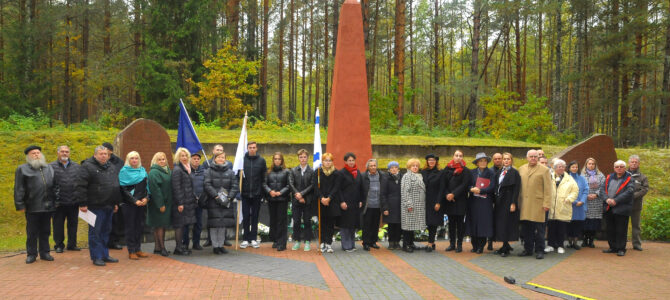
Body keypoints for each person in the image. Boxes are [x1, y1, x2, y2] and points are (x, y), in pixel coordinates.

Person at [78, 145, 121, 266]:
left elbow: (115, 185)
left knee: (106, 231)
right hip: (95, 205)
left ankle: (104, 254)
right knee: (95, 232)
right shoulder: (87, 166)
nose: (104, 156)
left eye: (106, 154)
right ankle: (96, 256)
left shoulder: (111, 166)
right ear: (95, 155)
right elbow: (81, 186)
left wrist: (115, 202)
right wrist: (82, 203)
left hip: (109, 204)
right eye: (101, 154)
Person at [15, 145, 56, 264]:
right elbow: (19, 188)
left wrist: (56, 201)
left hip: (48, 205)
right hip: (32, 205)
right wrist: (20, 204)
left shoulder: (49, 168)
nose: (36, 155)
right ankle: (31, 254)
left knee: (46, 230)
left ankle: (45, 252)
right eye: (33, 153)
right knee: (32, 231)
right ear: (28, 156)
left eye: (38, 153)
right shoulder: (22, 169)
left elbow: (54, 185)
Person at [518, 149, 553, 259]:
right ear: (527, 157)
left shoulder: (544, 170)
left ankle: (540, 250)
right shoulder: (521, 169)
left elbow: (548, 189)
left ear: (538, 158)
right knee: (527, 229)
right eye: (531, 156)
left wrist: (547, 203)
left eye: (535, 156)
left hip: (539, 205)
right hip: (524, 204)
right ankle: (528, 249)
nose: (533, 158)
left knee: (540, 230)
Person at [203, 152, 239, 254]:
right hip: (213, 201)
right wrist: (216, 196)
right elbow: (207, 185)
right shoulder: (208, 171)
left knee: (223, 224)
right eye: (218, 157)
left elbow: (235, 186)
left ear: (225, 159)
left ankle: (221, 245)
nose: (221, 159)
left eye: (223, 157)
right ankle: (215, 246)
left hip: (226, 202)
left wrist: (229, 197)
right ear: (214, 159)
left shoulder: (231, 172)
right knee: (214, 225)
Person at [50, 145, 82, 253]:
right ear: (58, 153)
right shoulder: (50, 167)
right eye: (62, 151)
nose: (64, 153)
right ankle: (59, 245)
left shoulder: (77, 167)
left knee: (73, 224)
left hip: (73, 201)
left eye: (67, 151)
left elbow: (80, 183)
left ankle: (72, 244)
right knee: (58, 225)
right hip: (59, 202)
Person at [118, 151, 150, 260]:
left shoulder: (142, 171)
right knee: (130, 227)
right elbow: (123, 190)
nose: (134, 160)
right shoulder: (124, 171)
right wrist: (134, 201)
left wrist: (146, 198)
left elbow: (147, 187)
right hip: (129, 204)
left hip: (141, 203)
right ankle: (131, 250)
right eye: (132, 158)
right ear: (128, 159)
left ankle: (138, 249)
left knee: (139, 226)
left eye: (136, 158)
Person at [601, 160, 635, 256]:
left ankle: (621, 249)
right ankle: (613, 247)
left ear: (625, 168)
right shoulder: (609, 177)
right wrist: (607, 199)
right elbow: (602, 189)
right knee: (610, 229)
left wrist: (616, 200)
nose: (619, 168)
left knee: (621, 230)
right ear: (614, 168)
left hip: (622, 208)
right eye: (617, 167)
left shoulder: (629, 179)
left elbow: (629, 192)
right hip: (609, 207)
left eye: (621, 166)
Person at [545, 159, 579, 255]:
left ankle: (560, 245)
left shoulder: (569, 179)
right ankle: (550, 245)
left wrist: (569, 199)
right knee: (551, 227)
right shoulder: (549, 177)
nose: (561, 168)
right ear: (554, 168)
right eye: (559, 166)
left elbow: (575, 191)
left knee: (561, 228)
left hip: (563, 206)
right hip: (551, 206)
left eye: (563, 166)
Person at [441, 150, 470, 253]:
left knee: (460, 224)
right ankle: (452, 244)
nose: (458, 157)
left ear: (463, 157)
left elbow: (465, 184)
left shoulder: (466, 170)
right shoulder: (447, 169)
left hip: (461, 200)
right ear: (453, 156)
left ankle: (460, 244)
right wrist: (447, 194)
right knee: (451, 223)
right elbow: (443, 184)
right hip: (449, 201)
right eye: (456, 155)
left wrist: (454, 194)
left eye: (460, 156)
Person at [239, 142, 267, 249]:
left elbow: (264, 178)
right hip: (245, 194)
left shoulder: (261, 161)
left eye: (253, 147)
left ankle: (253, 239)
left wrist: (263, 193)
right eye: (250, 147)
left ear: (257, 148)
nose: (252, 149)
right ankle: (245, 239)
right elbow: (238, 177)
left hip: (257, 194)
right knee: (246, 216)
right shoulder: (242, 160)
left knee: (255, 217)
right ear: (247, 148)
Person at [493, 153, 520, 257]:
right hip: (499, 201)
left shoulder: (514, 173)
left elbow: (516, 189)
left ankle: (505, 247)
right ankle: (506, 245)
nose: (506, 161)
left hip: (508, 201)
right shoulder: (499, 172)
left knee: (506, 224)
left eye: (508, 159)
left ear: (511, 160)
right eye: (504, 159)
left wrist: (513, 203)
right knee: (500, 224)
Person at [467, 153, 495, 254]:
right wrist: (471, 188)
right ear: (477, 163)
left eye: (484, 161)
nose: (483, 162)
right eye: (480, 161)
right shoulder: (472, 172)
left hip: (485, 202)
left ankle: (481, 246)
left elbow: (492, 187)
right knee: (473, 222)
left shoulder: (491, 173)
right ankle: (474, 245)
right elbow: (467, 184)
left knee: (483, 223)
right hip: (474, 201)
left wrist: (481, 191)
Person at [171, 147, 198, 255]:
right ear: (178, 157)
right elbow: (176, 187)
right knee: (179, 226)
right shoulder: (178, 170)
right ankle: (178, 248)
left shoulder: (187, 168)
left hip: (188, 202)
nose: (184, 157)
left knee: (183, 225)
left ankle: (181, 247)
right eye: (182, 155)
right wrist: (180, 203)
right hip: (181, 203)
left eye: (186, 155)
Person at [314, 153, 341, 253]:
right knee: (322, 223)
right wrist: (322, 198)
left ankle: (328, 243)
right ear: (322, 161)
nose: (327, 162)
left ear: (332, 162)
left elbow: (336, 187)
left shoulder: (336, 173)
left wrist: (329, 198)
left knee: (330, 224)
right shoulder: (317, 172)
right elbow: (315, 186)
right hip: (320, 202)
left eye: (329, 160)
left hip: (332, 202)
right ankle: (322, 243)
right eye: (326, 160)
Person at [264, 152, 291, 251]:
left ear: (282, 160)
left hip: (282, 199)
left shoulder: (287, 172)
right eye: (275, 159)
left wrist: (280, 192)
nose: (277, 161)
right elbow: (264, 184)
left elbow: (289, 185)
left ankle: (282, 243)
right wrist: (270, 191)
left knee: (281, 221)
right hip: (271, 199)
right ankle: (275, 240)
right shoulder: (268, 171)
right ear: (273, 160)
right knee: (273, 220)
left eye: (279, 159)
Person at [289, 149, 314, 251]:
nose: (303, 159)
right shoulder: (293, 170)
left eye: (304, 157)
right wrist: (298, 195)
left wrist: (302, 195)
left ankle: (307, 241)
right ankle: (297, 241)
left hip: (307, 201)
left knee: (307, 221)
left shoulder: (312, 171)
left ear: (308, 158)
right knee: (296, 221)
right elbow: (291, 183)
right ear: (298, 158)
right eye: (301, 157)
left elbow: (312, 185)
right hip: (296, 200)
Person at [147, 152, 172, 257]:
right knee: (159, 226)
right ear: (155, 161)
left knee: (160, 225)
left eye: (163, 159)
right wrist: (160, 204)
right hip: (158, 204)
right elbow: (155, 190)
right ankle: (162, 248)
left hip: (166, 203)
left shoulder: (167, 170)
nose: (162, 161)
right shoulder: (154, 172)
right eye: (159, 160)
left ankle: (157, 248)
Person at [337, 152, 363, 252]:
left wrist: (361, 200)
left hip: (355, 203)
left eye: (352, 160)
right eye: (349, 160)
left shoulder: (358, 172)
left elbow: (360, 187)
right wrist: (342, 201)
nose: (351, 162)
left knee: (352, 225)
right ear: (345, 161)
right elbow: (338, 189)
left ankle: (352, 244)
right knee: (345, 225)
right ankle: (346, 245)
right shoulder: (341, 173)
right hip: (346, 203)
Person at [360, 159, 387, 251]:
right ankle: (366, 243)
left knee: (375, 225)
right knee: (366, 225)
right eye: (371, 166)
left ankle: (373, 242)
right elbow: (360, 189)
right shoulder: (363, 176)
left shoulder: (382, 175)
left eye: (374, 165)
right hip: (367, 205)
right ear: (367, 167)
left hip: (378, 205)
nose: (373, 167)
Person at [102, 142, 124, 250]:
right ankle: (103, 241)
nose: (104, 153)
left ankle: (114, 241)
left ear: (110, 151)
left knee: (115, 220)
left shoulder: (119, 162)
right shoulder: (97, 161)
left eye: (106, 150)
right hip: (101, 196)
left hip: (115, 194)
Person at [400, 158, 426, 253]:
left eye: (416, 166)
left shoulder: (419, 176)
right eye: (413, 166)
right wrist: (409, 204)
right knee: (408, 226)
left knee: (412, 226)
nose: (415, 167)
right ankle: (406, 245)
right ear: (409, 167)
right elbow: (405, 191)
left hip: (417, 205)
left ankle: (411, 243)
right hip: (410, 205)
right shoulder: (407, 176)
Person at [580, 157, 606, 248]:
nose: (591, 165)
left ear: (595, 165)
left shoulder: (601, 175)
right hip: (585, 200)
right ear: (586, 165)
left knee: (594, 222)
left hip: (596, 202)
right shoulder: (582, 175)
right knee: (585, 221)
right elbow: (579, 187)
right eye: (589, 164)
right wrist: (586, 195)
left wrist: (596, 194)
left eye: (593, 164)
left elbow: (603, 187)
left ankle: (591, 240)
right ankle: (584, 240)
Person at [183, 153, 205, 251]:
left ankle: (196, 243)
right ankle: (185, 243)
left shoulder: (203, 171)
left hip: (200, 202)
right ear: (190, 159)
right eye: (194, 158)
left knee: (198, 223)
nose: (196, 160)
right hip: (188, 201)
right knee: (186, 223)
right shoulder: (186, 171)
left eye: (198, 159)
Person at [421, 154, 443, 252]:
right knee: (428, 223)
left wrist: (438, 202)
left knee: (433, 223)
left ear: (436, 162)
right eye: (429, 160)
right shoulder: (423, 172)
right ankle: (432, 242)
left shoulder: (440, 173)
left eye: (433, 160)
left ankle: (430, 243)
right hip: (424, 201)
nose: (431, 162)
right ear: (427, 161)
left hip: (434, 201)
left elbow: (442, 189)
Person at [628, 155, 649, 251]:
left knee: (636, 226)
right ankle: (621, 243)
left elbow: (645, 189)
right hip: (624, 205)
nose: (633, 163)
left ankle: (636, 244)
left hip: (636, 205)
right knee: (622, 225)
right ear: (629, 163)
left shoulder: (643, 177)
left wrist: (633, 196)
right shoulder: (624, 174)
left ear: (638, 163)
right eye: (632, 162)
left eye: (635, 162)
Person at [567, 161, 588, 250]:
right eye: (573, 167)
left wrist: (582, 200)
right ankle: (569, 242)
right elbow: (565, 192)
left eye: (576, 167)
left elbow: (586, 190)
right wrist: (574, 201)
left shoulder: (582, 178)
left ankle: (575, 242)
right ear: (569, 168)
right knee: (569, 225)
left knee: (577, 225)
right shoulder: (566, 178)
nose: (574, 169)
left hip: (580, 206)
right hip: (570, 205)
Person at [382, 161, 403, 250]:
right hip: (390, 206)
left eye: (395, 167)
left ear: (398, 169)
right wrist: (385, 207)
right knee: (391, 225)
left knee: (399, 225)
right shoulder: (385, 178)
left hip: (400, 205)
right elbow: (383, 194)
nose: (394, 169)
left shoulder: (402, 178)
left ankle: (397, 242)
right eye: (392, 168)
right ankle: (391, 242)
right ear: (389, 170)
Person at [488, 152, 503, 250]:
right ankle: (490, 242)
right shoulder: (489, 171)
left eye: (499, 158)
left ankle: (503, 242)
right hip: (491, 200)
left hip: (503, 200)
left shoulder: (506, 170)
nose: (497, 160)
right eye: (495, 159)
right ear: (493, 160)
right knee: (490, 221)